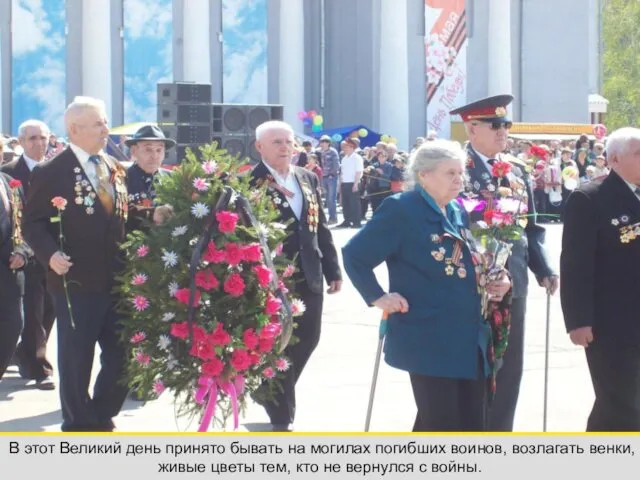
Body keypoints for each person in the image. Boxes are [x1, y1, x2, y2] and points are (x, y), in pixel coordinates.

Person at [22, 96, 171, 431]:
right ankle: (78, 425)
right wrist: (50, 255)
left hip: (117, 278)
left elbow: (119, 216)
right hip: (75, 280)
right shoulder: (52, 171)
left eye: (105, 122)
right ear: (75, 129)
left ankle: (101, 413)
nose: (107, 128)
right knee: (77, 360)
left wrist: (152, 214)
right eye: (99, 123)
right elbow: (32, 223)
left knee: (122, 357)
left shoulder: (111, 167)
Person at [342, 140, 511, 431]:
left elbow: (466, 259)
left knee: (469, 422)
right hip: (429, 336)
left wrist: (497, 278)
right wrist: (378, 296)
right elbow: (355, 255)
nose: (459, 179)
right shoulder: (402, 209)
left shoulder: (455, 210)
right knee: (443, 423)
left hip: (467, 335)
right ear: (424, 175)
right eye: (450, 173)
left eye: (461, 173)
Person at [449, 95, 557, 431]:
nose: (502, 132)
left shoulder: (517, 171)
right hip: (471, 287)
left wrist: (544, 268)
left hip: (514, 286)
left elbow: (531, 228)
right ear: (471, 129)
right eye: (495, 125)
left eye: (506, 125)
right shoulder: (454, 169)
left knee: (509, 369)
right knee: (470, 368)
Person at [249, 121, 342, 432]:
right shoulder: (248, 183)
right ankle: (281, 412)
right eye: (277, 142)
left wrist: (333, 268)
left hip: (310, 272)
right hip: (272, 277)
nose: (285, 147)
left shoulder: (308, 178)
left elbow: (321, 227)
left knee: (308, 340)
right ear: (259, 146)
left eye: (289, 142)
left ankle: (269, 389)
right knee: (278, 344)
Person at [560, 127, 640, 431]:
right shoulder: (591, 197)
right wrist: (578, 320)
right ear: (615, 159)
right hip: (612, 322)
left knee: (621, 403)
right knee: (621, 403)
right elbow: (575, 264)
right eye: (638, 153)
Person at [1, 120, 56, 389]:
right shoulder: (10, 173)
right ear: (21, 142)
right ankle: (38, 367)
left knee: (51, 307)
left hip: (54, 249)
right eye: (33, 138)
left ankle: (26, 352)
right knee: (33, 309)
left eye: (43, 138)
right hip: (25, 251)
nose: (39, 143)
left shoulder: (58, 170)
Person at [0, 171, 28, 380]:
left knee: (12, 327)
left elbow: (26, 224)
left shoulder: (10, 183)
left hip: (9, 273)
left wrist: (23, 252)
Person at [124, 124, 174, 232]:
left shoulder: (173, 179)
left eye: (159, 150)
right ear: (133, 151)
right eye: (148, 150)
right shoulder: (121, 180)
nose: (154, 156)